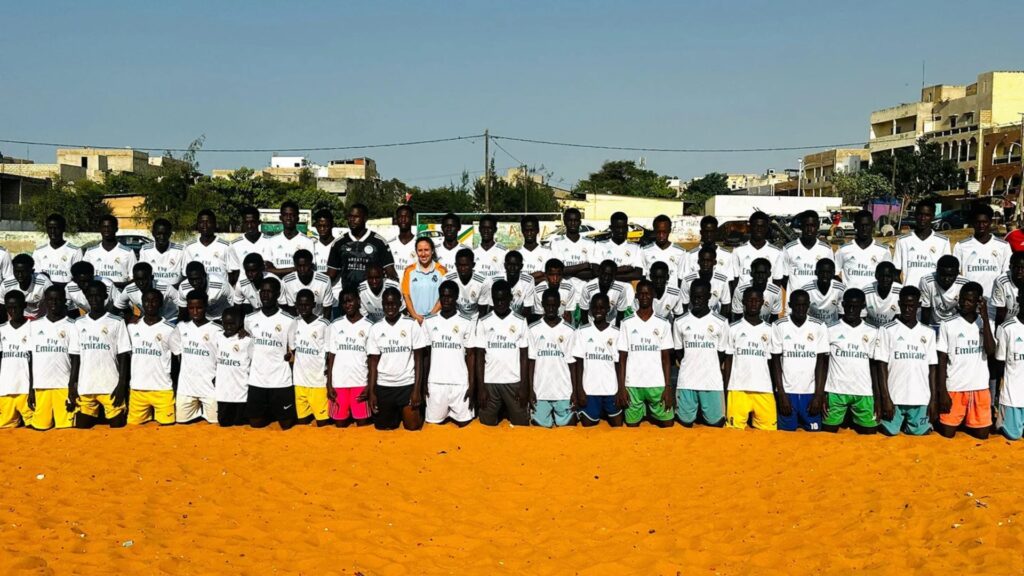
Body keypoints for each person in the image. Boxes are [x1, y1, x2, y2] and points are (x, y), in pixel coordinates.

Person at [874, 286, 938, 436]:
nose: (908, 309)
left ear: (918, 306)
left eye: (912, 306)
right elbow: (881, 365)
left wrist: (933, 399)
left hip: (920, 398)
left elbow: (932, 367)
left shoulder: (928, 333)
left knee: (923, 434)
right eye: (904, 305)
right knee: (887, 433)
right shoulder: (887, 330)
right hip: (894, 398)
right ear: (899, 304)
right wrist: (885, 398)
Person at [816, 289, 880, 434]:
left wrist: (878, 397)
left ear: (863, 307)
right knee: (828, 431)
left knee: (869, 432)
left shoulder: (872, 332)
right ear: (842, 305)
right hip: (835, 391)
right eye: (848, 306)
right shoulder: (830, 329)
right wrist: (821, 393)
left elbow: (874, 366)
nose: (851, 310)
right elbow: (823, 364)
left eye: (856, 306)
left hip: (863, 392)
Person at [935, 282, 993, 439]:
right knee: (948, 433)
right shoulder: (948, 324)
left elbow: (991, 350)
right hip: (955, 387)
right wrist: (943, 392)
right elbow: (941, 359)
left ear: (978, 302)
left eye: (969, 300)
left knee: (982, 435)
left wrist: (986, 318)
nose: (964, 303)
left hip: (979, 387)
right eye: (962, 299)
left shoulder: (986, 324)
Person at [366, 287, 428, 431]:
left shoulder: (411, 324)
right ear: (382, 305)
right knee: (384, 426)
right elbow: (373, 362)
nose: (390, 307)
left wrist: (416, 390)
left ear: (400, 304)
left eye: (394, 304)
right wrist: (372, 391)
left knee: (412, 426)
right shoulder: (376, 328)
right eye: (387, 304)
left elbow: (419, 358)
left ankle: (412, 411)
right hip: (384, 385)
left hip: (406, 384)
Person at [72, 280, 131, 428]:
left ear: (105, 296)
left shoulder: (117, 322)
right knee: (82, 427)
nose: (94, 299)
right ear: (86, 297)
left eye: (98, 296)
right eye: (91, 296)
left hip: (110, 386)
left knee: (117, 426)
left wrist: (122, 385)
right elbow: (75, 356)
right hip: (86, 386)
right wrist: (71, 383)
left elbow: (123, 355)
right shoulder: (79, 323)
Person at [617, 280, 674, 427]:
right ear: (636, 296)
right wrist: (622, 387)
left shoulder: (663, 324)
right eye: (641, 294)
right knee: (632, 426)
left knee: (668, 424)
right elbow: (622, 358)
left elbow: (666, 358)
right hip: (633, 385)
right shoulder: (626, 323)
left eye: (647, 294)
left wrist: (668, 387)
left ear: (653, 295)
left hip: (656, 383)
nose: (644, 297)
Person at [770, 290, 829, 432]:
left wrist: (819, 395)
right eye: (797, 305)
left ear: (809, 305)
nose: (800, 309)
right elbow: (776, 362)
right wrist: (781, 393)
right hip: (788, 394)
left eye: (804, 305)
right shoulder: (779, 325)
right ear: (790, 305)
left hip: (810, 393)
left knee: (814, 437)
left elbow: (822, 363)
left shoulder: (819, 326)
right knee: (786, 437)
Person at [473, 279, 530, 426]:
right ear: (492, 299)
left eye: (503, 299)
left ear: (510, 298)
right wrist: (481, 388)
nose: (500, 303)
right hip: (490, 382)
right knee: (486, 423)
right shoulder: (484, 322)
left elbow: (524, 356)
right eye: (496, 300)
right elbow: (479, 356)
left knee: (521, 423)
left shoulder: (520, 321)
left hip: (513, 381)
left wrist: (524, 386)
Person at [673, 279, 728, 428]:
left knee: (716, 423)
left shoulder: (721, 322)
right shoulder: (680, 322)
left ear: (709, 296)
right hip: (687, 381)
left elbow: (721, 353)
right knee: (684, 422)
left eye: (701, 297)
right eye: (693, 296)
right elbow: (679, 351)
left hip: (711, 381)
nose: (696, 300)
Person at [244, 276, 298, 430]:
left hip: (280, 378)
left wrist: (289, 357)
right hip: (257, 378)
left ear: (277, 294)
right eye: (263, 291)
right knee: (255, 423)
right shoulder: (249, 319)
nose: (265, 295)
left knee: (286, 425)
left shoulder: (289, 320)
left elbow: (293, 349)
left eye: (269, 292)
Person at [422, 281, 477, 427]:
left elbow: (471, 355)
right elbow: (425, 355)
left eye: (450, 297)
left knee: (465, 424)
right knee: (434, 425)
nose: (446, 300)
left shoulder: (467, 322)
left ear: (456, 297)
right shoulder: (429, 321)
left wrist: (472, 385)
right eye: (443, 296)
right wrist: (424, 382)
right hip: (436, 383)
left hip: (460, 384)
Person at [723, 287, 777, 430]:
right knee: (733, 434)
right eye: (750, 300)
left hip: (764, 389)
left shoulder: (770, 330)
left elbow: (772, 362)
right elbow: (728, 360)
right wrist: (727, 387)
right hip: (738, 389)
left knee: (769, 434)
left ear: (762, 303)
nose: (753, 304)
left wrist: (775, 387)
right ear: (743, 302)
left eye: (757, 300)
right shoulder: (733, 328)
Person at [26, 285, 79, 430]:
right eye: (50, 299)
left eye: (57, 299)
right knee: (40, 427)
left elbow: (75, 359)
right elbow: (30, 359)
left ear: (64, 301)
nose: (53, 303)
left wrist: (72, 385)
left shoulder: (73, 325)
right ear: (45, 301)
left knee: (66, 428)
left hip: (63, 386)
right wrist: (31, 388)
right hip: (41, 385)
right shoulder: (34, 326)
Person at [126, 290, 181, 426]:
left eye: (154, 301)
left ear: (161, 304)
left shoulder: (170, 329)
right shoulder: (132, 327)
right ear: (142, 304)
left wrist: (175, 383)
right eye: (146, 301)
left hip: (162, 389)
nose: (150, 304)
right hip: (137, 389)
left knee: (167, 426)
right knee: (133, 428)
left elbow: (177, 358)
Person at [526, 288, 578, 428]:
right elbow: (531, 362)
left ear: (558, 305)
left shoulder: (569, 330)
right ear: (542, 305)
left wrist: (575, 391)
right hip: (541, 392)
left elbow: (572, 364)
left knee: (569, 426)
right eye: (547, 305)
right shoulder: (533, 329)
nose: (550, 308)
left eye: (554, 305)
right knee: (539, 426)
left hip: (563, 391)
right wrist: (530, 390)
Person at [573, 293, 625, 427]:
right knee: (588, 424)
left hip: (611, 389)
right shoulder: (582, 331)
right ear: (590, 309)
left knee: (617, 425)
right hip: (590, 389)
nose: (598, 311)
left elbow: (618, 364)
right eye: (595, 308)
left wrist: (620, 389)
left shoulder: (616, 332)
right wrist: (580, 389)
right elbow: (579, 363)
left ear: (608, 309)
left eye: (602, 308)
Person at [326, 287, 373, 427]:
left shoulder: (369, 326)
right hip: (339, 382)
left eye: (350, 301)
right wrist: (329, 384)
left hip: (360, 381)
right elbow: (331, 356)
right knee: (340, 423)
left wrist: (370, 385)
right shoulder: (335, 325)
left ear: (358, 301)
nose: (348, 305)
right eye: (344, 302)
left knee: (362, 422)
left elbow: (372, 360)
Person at [954, 203, 1011, 316]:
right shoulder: (961, 246)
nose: (981, 225)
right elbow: (956, 277)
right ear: (972, 223)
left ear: (990, 222)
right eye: (977, 222)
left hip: (994, 303)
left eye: (984, 222)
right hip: (969, 305)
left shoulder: (1003, 246)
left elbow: (1006, 276)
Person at [175, 291, 221, 424]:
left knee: (216, 422)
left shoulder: (217, 330)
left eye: (199, 307)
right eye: (191, 308)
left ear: (206, 306)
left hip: (210, 388)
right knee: (182, 422)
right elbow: (176, 353)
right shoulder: (181, 328)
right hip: (186, 388)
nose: (195, 311)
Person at [327, 203, 396, 290]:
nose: (352, 219)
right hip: (348, 296)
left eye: (356, 217)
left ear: (365, 218)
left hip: (371, 296)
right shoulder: (339, 243)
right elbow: (331, 274)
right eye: (350, 216)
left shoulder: (379, 242)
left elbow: (390, 273)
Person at [292, 289, 331, 427]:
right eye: (300, 305)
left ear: (314, 305)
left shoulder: (324, 325)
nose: (303, 308)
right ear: (296, 305)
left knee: (323, 423)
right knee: (302, 422)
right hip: (299, 382)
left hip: (318, 382)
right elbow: (291, 348)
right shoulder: (294, 323)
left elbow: (329, 352)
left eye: (307, 305)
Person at [778, 210, 834, 306]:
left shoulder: (826, 249)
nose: (809, 229)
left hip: (817, 305)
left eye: (812, 226)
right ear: (801, 226)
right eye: (806, 225)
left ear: (817, 227)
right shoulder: (789, 248)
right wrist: (795, 293)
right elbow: (784, 276)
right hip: (795, 306)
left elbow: (831, 276)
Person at [893, 200, 951, 288]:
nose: (923, 218)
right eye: (920, 214)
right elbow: (896, 272)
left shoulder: (943, 241)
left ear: (933, 216)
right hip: (909, 297)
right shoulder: (902, 241)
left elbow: (946, 271)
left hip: (932, 295)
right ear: (915, 215)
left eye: (927, 215)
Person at [214, 307, 252, 428]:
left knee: (240, 423)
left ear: (240, 323)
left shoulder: (247, 340)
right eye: (226, 323)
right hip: (223, 393)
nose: (229, 327)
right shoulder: (217, 337)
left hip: (241, 391)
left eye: (232, 324)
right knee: (224, 423)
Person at [834, 210, 891, 290]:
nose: (864, 229)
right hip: (851, 300)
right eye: (861, 225)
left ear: (873, 225)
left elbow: (889, 276)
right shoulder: (843, 250)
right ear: (855, 225)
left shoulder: (883, 250)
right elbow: (835, 273)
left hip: (872, 299)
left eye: (867, 225)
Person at [0, 292, 33, 428]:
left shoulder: (33, 327)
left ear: (24, 306)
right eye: (10, 308)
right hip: (6, 388)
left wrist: (32, 387)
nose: (13, 311)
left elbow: (35, 361)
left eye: (17, 307)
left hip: (25, 389)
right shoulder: (2, 330)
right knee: (5, 426)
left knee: (34, 424)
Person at [995, 289, 1024, 440]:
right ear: (1019, 299)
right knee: (1013, 436)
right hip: (1013, 398)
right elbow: (1000, 364)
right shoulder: (1007, 328)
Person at [181, 209, 238, 285]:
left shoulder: (226, 246)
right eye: (201, 222)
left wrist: (225, 288)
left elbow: (234, 272)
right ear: (197, 225)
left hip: (220, 294)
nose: (205, 225)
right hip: (198, 294)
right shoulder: (189, 247)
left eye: (208, 222)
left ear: (214, 224)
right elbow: (185, 274)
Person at [548, 207, 596, 294]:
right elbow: (558, 271)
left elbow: (593, 273)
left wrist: (567, 271)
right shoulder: (556, 243)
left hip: (584, 294)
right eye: (570, 220)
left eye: (576, 220)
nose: (573, 223)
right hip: (564, 294)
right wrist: (584, 265)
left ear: (580, 222)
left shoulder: (590, 243)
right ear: (565, 221)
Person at [115, 262, 179, 324]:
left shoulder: (165, 287)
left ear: (151, 278)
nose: (141, 283)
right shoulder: (129, 289)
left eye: (144, 279)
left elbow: (182, 303)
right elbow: (118, 307)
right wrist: (130, 316)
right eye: (137, 279)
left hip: (169, 319)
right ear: (133, 278)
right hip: (148, 321)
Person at [401, 237, 446, 323]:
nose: (423, 254)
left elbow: (443, 297)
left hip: (435, 319)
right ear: (416, 252)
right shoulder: (409, 270)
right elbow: (406, 296)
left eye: (426, 250)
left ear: (432, 251)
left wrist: (431, 316)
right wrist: (415, 316)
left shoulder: (442, 270)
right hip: (414, 320)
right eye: (420, 250)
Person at [84, 214, 136, 289]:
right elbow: (84, 276)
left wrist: (117, 286)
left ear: (116, 229)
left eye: (110, 227)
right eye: (104, 227)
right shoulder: (90, 252)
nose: (106, 230)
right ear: (99, 229)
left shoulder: (128, 252)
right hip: (96, 296)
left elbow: (133, 278)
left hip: (119, 295)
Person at [731, 210, 782, 285]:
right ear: (750, 227)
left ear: (767, 228)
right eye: (756, 226)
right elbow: (734, 280)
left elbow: (777, 281)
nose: (759, 229)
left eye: (762, 226)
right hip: (745, 296)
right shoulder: (738, 251)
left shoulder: (776, 252)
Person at [281, 249, 335, 319]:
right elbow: (292, 309)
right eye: (299, 266)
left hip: (319, 319)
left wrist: (323, 325)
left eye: (305, 265)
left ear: (311, 264)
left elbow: (327, 308)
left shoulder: (324, 280)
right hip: (299, 321)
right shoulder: (287, 281)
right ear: (295, 265)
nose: (302, 269)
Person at [479, 251, 534, 317]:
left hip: (517, 320)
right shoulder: (495, 280)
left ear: (521, 266)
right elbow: (492, 307)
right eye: (509, 265)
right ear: (505, 265)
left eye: (516, 265)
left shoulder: (528, 281)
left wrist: (518, 323)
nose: (512, 268)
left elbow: (527, 309)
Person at [266, 201, 314, 277]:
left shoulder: (307, 242)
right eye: (285, 215)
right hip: (277, 285)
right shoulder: (271, 241)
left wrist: (277, 271)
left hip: (297, 286)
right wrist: (295, 269)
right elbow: (268, 268)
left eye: (292, 215)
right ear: (280, 218)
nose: (288, 218)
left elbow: (309, 267)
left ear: (297, 218)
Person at [33, 213, 81, 287]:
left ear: (63, 229)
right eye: (50, 228)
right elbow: (37, 276)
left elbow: (77, 278)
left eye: (56, 228)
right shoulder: (38, 252)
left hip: (66, 295)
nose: (53, 231)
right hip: (45, 295)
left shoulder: (75, 251)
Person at [919, 255, 968, 328]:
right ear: (937, 271)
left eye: (950, 276)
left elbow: (964, 311)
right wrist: (925, 330)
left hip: (954, 326)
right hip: (932, 324)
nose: (946, 279)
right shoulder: (926, 281)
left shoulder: (964, 283)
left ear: (957, 273)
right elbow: (925, 309)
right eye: (943, 275)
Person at [579, 260, 632, 325]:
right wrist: (587, 330)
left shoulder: (620, 289)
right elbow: (584, 313)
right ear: (599, 272)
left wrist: (617, 331)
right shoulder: (588, 287)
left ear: (614, 276)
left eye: (610, 275)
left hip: (611, 324)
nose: (606, 278)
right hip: (591, 323)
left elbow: (620, 315)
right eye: (604, 274)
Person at [680, 246, 731, 314]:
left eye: (709, 261)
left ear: (715, 262)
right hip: (692, 316)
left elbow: (725, 304)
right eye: (702, 260)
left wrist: (720, 322)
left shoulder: (723, 279)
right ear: (698, 262)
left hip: (714, 318)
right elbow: (684, 305)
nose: (705, 264)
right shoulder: (687, 280)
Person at [683, 216, 734, 283]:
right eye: (706, 232)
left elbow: (729, 282)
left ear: (716, 232)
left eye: (712, 232)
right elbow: (686, 281)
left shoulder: (727, 256)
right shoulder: (689, 256)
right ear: (701, 232)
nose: (709, 235)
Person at [594, 211, 643, 282]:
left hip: (625, 290)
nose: (621, 231)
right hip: (605, 290)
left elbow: (637, 274)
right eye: (617, 227)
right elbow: (596, 272)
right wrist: (622, 269)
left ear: (627, 228)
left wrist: (607, 274)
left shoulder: (636, 248)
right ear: (611, 228)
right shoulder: (600, 245)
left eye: (623, 227)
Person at [730, 257, 781, 323]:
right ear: (751, 274)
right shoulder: (740, 291)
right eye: (757, 273)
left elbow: (774, 318)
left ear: (769, 274)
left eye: (763, 273)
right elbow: (737, 317)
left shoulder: (776, 291)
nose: (760, 276)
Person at [1, 253, 52, 319]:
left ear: (32, 271)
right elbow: (2, 307)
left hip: (40, 320)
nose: (20, 275)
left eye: (23, 271)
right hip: (16, 320)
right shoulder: (6, 285)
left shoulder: (44, 283)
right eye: (16, 271)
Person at [642, 214, 687, 287]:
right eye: (658, 232)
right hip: (652, 296)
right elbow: (643, 275)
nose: (661, 235)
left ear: (669, 230)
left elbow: (681, 278)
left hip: (672, 296)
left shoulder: (680, 252)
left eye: (664, 232)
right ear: (654, 231)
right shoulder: (644, 251)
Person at [139, 218, 185, 287]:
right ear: (153, 233)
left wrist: (172, 289)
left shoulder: (181, 250)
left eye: (165, 234)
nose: (162, 237)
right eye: (159, 234)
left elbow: (186, 275)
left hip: (175, 292)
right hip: (152, 293)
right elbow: (141, 275)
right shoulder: (145, 250)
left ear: (170, 234)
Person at [443, 249, 486, 318]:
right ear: (456, 265)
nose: (463, 269)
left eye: (466, 265)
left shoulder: (483, 282)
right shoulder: (447, 279)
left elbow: (483, 311)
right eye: (460, 265)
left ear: (473, 265)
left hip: (475, 320)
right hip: (455, 319)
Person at [533, 259, 577, 324]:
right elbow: (540, 316)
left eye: (558, 275)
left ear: (562, 275)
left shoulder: (569, 288)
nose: (555, 279)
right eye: (551, 275)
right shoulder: (538, 290)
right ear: (546, 275)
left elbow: (567, 314)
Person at [802, 259, 845, 324]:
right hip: (813, 328)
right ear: (816, 272)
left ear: (833, 273)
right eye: (822, 272)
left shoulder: (840, 289)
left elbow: (842, 314)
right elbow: (803, 314)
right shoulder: (806, 290)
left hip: (832, 327)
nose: (825, 275)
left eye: (828, 272)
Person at [230, 207, 271, 274]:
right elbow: (234, 272)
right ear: (242, 223)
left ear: (259, 222)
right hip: (243, 284)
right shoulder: (234, 245)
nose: (249, 226)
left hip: (264, 283)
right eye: (246, 222)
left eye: (253, 222)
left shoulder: (270, 241)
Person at [311, 209, 340, 302]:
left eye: (326, 226)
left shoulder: (339, 246)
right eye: (319, 226)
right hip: (316, 296)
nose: (322, 229)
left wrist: (310, 275)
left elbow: (332, 276)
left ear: (332, 225)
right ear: (315, 226)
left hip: (336, 295)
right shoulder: (311, 245)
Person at [864, 262, 903, 327]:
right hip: (871, 331)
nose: (885, 279)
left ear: (894, 277)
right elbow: (862, 318)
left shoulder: (901, 292)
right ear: (876, 276)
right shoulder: (866, 292)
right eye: (882, 276)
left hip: (892, 332)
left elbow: (900, 319)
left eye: (888, 276)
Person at [473, 214, 507, 279]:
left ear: (495, 230)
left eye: (489, 228)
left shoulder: (504, 252)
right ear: (479, 229)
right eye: (483, 228)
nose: (486, 231)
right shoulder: (473, 252)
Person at [994, 252, 1024, 326]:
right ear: (1010, 266)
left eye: (1023, 268)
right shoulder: (1001, 281)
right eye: (1017, 267)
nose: (1020, 271)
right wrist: (999, 330)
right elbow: (1000, 313)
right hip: (1005, 322)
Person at [388, 205, 418, 277]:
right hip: (395, 287)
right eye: (400, 217)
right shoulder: (390, 244)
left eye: (406, 216)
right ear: (396, 219)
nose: (403, 219)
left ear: (412, 219)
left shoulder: (420, 244)